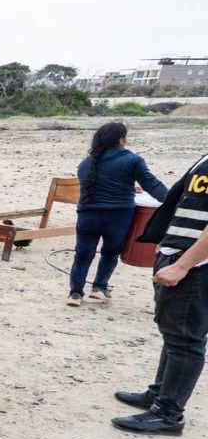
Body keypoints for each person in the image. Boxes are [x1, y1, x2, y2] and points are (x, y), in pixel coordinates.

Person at [112, 150, 208, 435]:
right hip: (179, 254)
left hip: (195, 265)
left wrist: (183, 265)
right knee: (174, 332)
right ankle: (159, 395)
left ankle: (169, 414)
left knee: (185, 339)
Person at [67, 121, 168, 306]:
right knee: (110, 252)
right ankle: (99, 287)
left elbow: (101, 184)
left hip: (87, 215)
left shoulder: (86, 162)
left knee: (82, 254)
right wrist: (173, 201)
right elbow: (152, 184)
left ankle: (75, 293)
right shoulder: (132, 160)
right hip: (118, 215)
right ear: (121, 139)